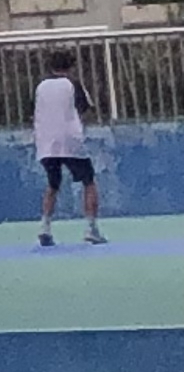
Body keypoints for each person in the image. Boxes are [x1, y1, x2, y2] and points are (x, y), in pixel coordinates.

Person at [34, 56, 107, 247]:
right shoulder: (72, 84)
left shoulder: (40, 86)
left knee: (53, 184)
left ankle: (45, 228)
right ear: (71, 67)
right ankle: (91, 228)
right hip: (70, 140)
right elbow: (86, 110)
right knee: (88, 182)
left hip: (46, 141)